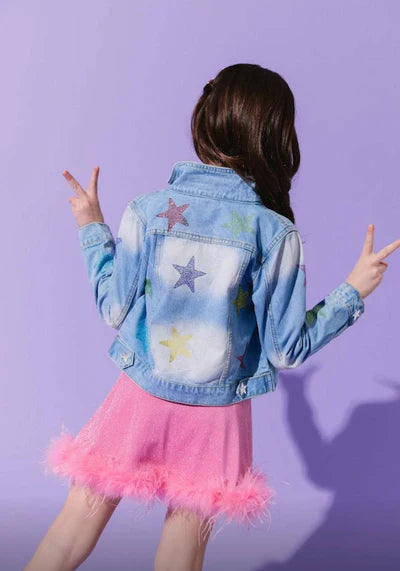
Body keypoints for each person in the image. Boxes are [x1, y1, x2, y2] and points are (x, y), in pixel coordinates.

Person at [25, 63, 400, 571]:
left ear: (205, 121)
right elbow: (286, 350)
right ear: (275, 138)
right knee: (181, 557)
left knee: (70, 534)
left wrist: (93, 228)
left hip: (141, 392)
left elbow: (113, 309)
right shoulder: (274, 232)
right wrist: (351, 292)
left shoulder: (149, 210)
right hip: (217, 415)